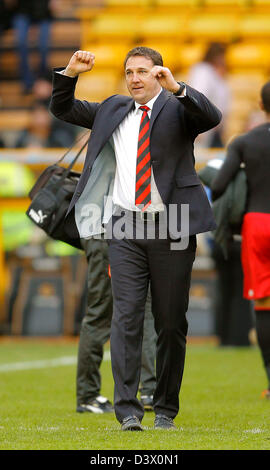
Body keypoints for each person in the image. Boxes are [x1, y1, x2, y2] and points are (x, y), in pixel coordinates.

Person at [50, 46, 221, 430]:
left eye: (143, 71)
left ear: (158, 74)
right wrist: (70, 73)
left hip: (173, 225)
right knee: (125, 317)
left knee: (171, 321)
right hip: (124, 227)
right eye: (130, 72)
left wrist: (178, 88)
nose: (135, 78)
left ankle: (164, 408)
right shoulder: (113, 108)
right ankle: (127, 410)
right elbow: (63, 109)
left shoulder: (178, 107)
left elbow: (212, 116)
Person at [211, 80, 270, 399]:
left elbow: (218, 186)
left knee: (263, 302)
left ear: (261, 106)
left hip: (257, 222)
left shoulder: (245, 142)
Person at [77, 237, 157, 414]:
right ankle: (88, 395)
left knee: (141, 310)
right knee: (101, 314)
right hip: (109, 237)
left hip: (116, 236)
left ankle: (149, 390)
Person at [188, 42, 230, 148]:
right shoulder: (203, 72)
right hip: (204, 126)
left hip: (214, 126)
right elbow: (197, 97)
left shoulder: (214, 73)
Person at [12, 0, 58, 93]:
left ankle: (43, 78)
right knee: (21, 43)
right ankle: (27, 81)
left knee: (43, 46)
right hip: (22, 11)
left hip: (43, 12)